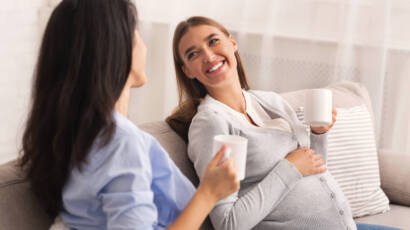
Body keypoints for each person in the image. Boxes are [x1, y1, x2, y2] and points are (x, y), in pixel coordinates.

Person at [19, 1, 239, 230]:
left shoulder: (76, 133)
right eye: (136, 33)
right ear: (117, 49)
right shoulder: (120, 141)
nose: (144, 46)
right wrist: (208, 194)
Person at [167, 16, 402, 230]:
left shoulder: (269, 101)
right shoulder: (210, 124)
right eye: (193, 54)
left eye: (213, 41)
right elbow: (228, 224)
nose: (208, 56)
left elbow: (314, 170)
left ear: (232, 43)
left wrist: (319, 133)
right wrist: (290, 169)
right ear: (187, 71)